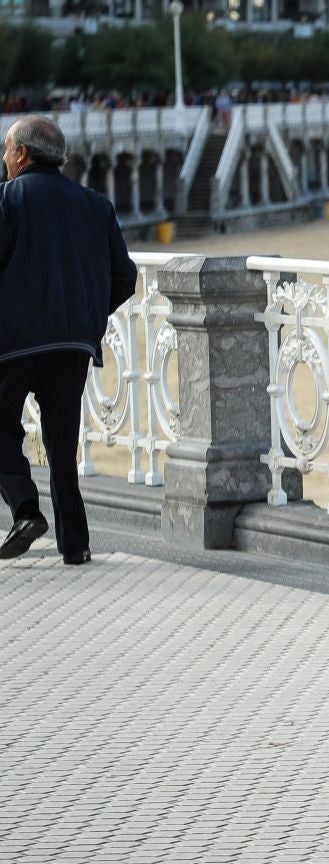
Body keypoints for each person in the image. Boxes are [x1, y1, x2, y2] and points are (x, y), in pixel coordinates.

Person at [0, 116, 137, 564]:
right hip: (74, 343)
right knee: (63, 442)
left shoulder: (7, 201)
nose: (3, 158)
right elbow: (125, 277)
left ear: (22, 153)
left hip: (14, 342)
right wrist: (87, 319)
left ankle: (24, 510)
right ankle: (75, 545)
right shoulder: (95, 205)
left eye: (6, 149)